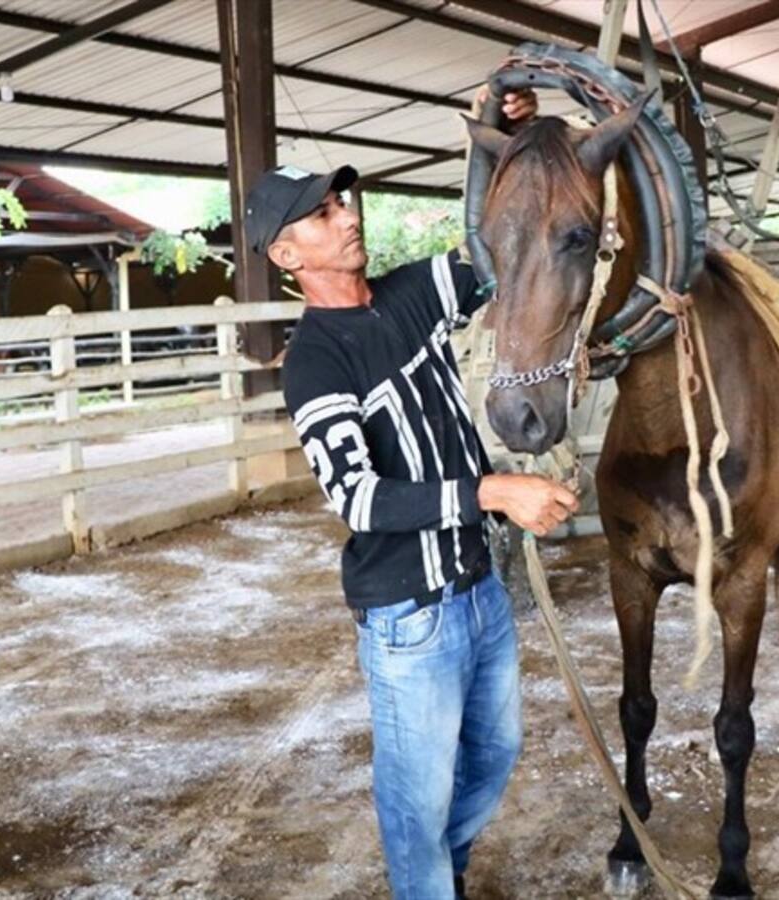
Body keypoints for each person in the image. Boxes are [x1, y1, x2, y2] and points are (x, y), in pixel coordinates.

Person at [247, 89, 579, 898]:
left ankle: (439, 874)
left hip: (478, 593)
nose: (347, 218)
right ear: (287, 257)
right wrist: (495, 489)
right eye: (321, 216)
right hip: (410, 617)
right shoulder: (315, 361)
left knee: (495, 758)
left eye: (340, 203)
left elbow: (496, 246)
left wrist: (504, 141)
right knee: (415, 799)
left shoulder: (410, 292)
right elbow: (358, 500)